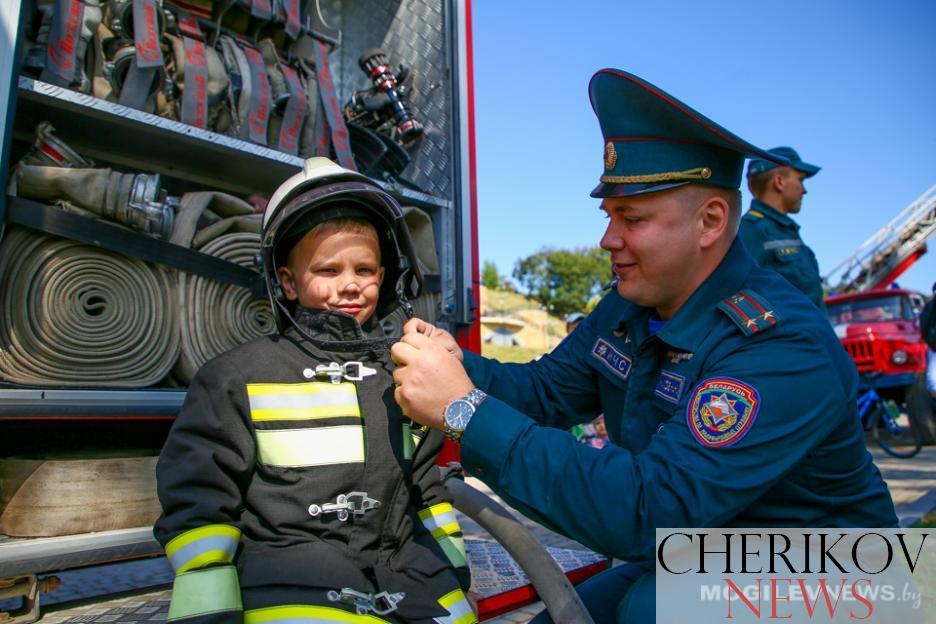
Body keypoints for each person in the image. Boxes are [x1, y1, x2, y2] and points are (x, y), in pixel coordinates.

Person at [390, 69, 897, 623]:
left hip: (835, 572)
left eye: (631, 218)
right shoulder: (630, 308)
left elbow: (651, 509)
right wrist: (447, 362)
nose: (608, 240)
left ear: (710, 221)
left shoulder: (780, 341)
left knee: (649, 611)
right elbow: (541, 391)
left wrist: (464, 410)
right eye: (609, 216)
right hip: (707, 547)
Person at [154, 158, 473, 624]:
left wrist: (453, 580)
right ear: (287, 281)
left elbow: (427, 491)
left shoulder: (404, 374)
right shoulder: (235, 376)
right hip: (288, 582)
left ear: (383, 278)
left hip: (412, 579)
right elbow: (200, 504)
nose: (349, 285)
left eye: (364, 269)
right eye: (327, 270)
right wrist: (209, 610)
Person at [738, 146, 827, 310]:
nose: (804, 190)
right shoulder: (751, 232)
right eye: (800, 180)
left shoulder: (785, 231)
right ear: (779, 182)